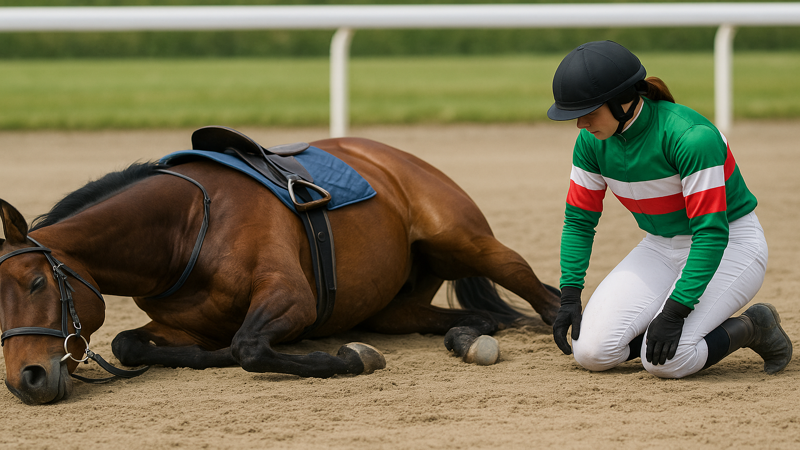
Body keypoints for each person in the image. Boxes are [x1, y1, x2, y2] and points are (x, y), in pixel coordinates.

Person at [547, 40, 792, 378]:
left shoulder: (692, 138)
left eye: (588, 113)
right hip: (660, 246)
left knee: (668, 363)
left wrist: (675, 311)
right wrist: (570, 294)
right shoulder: (591, 143)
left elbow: (710, 233)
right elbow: (578, 221)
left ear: (622, 101)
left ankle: (754, 326)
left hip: (730, 244)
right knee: (590, 352)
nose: (580, 125)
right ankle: (661, 328)